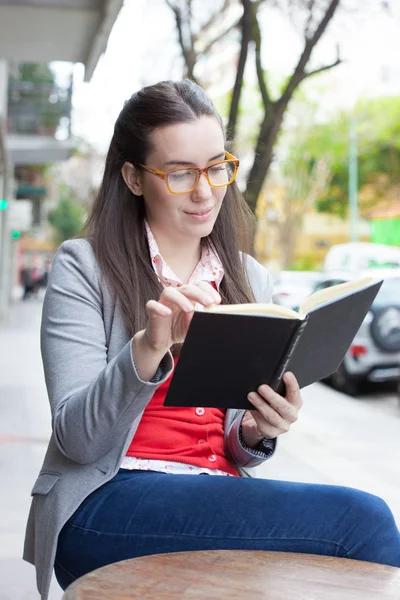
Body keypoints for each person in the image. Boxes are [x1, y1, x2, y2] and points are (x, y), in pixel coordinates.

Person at [23, 80, 400, 600]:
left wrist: (257, 431)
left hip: (212, 492)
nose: (205, 191)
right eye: (179, 173)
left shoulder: (248, 278)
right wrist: (148, 348)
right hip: (106, 499)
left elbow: (233, 447)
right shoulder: (83, 266)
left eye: (216, 166)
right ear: (134, 177)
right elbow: (75, 439)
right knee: (365, 523)